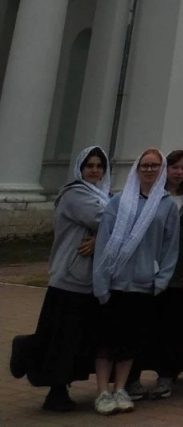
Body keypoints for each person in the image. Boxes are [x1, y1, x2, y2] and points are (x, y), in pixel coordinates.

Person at [10, 147, 110, 413]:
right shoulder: (75, 193)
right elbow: (102, 219)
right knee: (62, 339)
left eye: (99, 166)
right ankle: (46, 379)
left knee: (74, 338)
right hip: (70, 278)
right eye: (89, 165)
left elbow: (108, 223)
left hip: (88, 280)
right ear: (80, 168)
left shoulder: (100, 194)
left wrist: (101, 238)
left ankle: (59, 386)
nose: (95, 170)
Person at [92, 149, 180, 416]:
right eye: (145, 165)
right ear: (137, 168)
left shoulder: (166, 204)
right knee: (107, 341)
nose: (150, 170)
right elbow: (103, 243)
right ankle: (102, 392)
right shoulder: (118, 202)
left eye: (155, 166)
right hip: (114, 281)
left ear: (161, 170)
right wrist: (101, 282)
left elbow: (170, 246)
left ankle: (120, 388)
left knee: (130, 340)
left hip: (144, 284)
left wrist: (161, 280)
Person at [125, 149, 183, 401]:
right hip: (148, 272)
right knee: (143, 326)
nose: (178, 172)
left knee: (173, 327)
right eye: (174, 167)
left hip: (179, 274)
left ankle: (166, 375)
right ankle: (133, 377)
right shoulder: (150, 196)